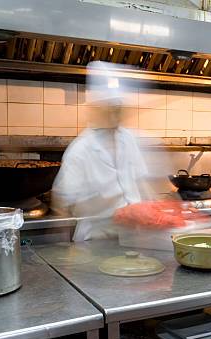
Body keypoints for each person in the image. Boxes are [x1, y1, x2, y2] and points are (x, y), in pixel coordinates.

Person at [52, 61, 151, 241]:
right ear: (95, 110)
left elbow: (141, 183)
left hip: (131, 236)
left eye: (118, 109)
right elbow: (62, 201)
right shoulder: (81, 149)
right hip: (96, 239)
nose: (116, 115)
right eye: (111, 109)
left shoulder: (127, 139)